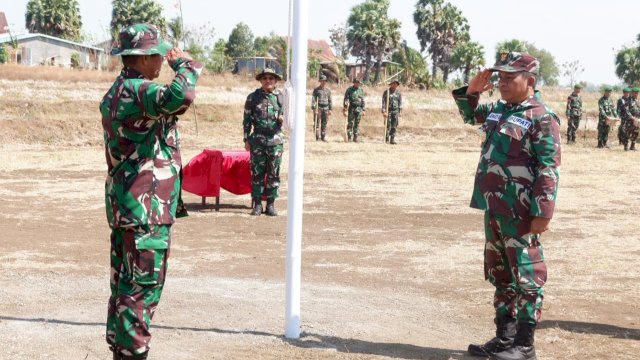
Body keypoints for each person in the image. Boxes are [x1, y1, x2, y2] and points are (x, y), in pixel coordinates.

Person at [100, 23, 202, 360]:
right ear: (142, 58)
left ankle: (124, 351)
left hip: (131, 206)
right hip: (145, 211)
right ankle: (132, 352)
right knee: (141, 290)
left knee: (126, 288)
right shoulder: (137, 91)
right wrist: (186, 66)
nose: (161, 60)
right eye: (157, 54)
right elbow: (181, 96)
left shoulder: (121, 92)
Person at [452, 52, 561, 360]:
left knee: (527, 274)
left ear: (530, 81)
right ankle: (505, 337)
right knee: (500, 272)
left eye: (510, 77)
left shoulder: (541, 116)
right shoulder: (500, 111)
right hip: (495, 206)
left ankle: (525, 346)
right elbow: (470, 114)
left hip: (522, 211)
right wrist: (472, 91)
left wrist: (543, 212)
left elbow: (549, 168)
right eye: (500, 76)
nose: (502, 82)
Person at [243, 68, 285, 216]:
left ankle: (271, 204)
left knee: (274, 173)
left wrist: (282, 120)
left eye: (271, 78)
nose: (268, 81)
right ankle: (257, 204)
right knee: (257, 174)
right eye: (265, 78)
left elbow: (288, 118)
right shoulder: (253, 98)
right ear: (261, 80)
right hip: (258, 141)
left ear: (275, 81)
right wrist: (246, 139)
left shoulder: (281, 98)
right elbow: (247, 120)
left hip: (275, 141)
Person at [343, 77, 366, 142]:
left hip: (359, 109)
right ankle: (349, 137)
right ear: (354, 83)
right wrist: (345, 109)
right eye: (356, 82)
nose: (358, 84)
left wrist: (363, 109)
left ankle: (355, 137)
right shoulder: (349, 90)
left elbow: (363, 100)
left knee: (357, 123)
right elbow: (346, 100)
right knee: (350, 123)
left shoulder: (361, 90)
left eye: (359, 83)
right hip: (351, 108)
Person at [311, 74, 332, 141]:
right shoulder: (316, 90)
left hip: (326, 108)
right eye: (322, 81)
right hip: (319, 108)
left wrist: (330, 109)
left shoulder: (328, 90)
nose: (323, 82)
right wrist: (314, 108)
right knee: (317, 122)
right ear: (320, 81)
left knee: (324, 123)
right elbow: (313, 99)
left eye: (324, 81)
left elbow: (330, 100)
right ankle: (317, 137)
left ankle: (323, 137)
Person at [382, 80, 402, 144]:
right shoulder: (387, 92)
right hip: (389, 111)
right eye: (393, 84)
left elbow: (400, 103)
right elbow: (383, 102)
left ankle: (392, 139)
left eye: (396, 84)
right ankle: (387, 139)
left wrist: (400, 111)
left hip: (395, 111)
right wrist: (384, 111)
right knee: (388, 125)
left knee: (394, 125)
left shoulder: (398, 93)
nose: (395, 85)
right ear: (391, 84)